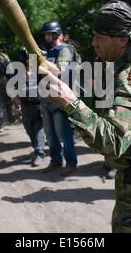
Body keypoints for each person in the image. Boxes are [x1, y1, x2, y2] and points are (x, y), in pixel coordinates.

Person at [39, 0, 131, 232]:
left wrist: (69, 103)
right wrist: (63, 75)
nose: (93, 44)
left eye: (98, 37)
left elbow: (113, 141)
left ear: (122, 40)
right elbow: (98, 85)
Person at [40, 20, 78, 176]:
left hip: (61, 99)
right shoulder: (48, 51)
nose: (46, 37)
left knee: (64, 134)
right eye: (45, 34)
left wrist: (41, 62)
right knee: (50, 135)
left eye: (48, 34)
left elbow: (58, 71)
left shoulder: (67, 50)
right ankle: (55, 160)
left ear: (56, 34)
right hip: (46, 98)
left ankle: (71, 163)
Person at [13, 49, 46, 166]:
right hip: (26, 106)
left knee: (38, 129)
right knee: (29, 129)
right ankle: (37, 149)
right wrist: (17, 104)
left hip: (39, 105)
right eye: (26, 59)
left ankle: (39, 153)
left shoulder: (40, 72)